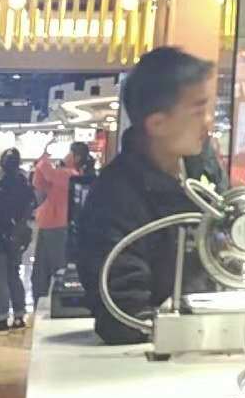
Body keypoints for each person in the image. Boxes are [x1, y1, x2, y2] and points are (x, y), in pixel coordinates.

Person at [76, 46, 223, 344]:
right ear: (157, 124)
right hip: (153, 358)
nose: (208, 121)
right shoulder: (115, 200)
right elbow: (123, 316)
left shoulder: (202, 172)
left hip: (207, 345)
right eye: (198, 111)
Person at [31, 141, 92, 307]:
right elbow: (39, 183)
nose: (65, 156)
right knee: (41, 272)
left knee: (55, 269)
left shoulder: (70, 175)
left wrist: (44, 157)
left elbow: (47, 174)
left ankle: (56, 303)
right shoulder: (66, 174)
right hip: (49, 225)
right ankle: (41, 303)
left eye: (68, 152)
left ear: (76, 157)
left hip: (58, 227)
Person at [0, 149, 35, 331]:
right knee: (13, 275)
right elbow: (31, 207)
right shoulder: (24, 186)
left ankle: (3, 318)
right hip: (16, 239)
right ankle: (19, 315)